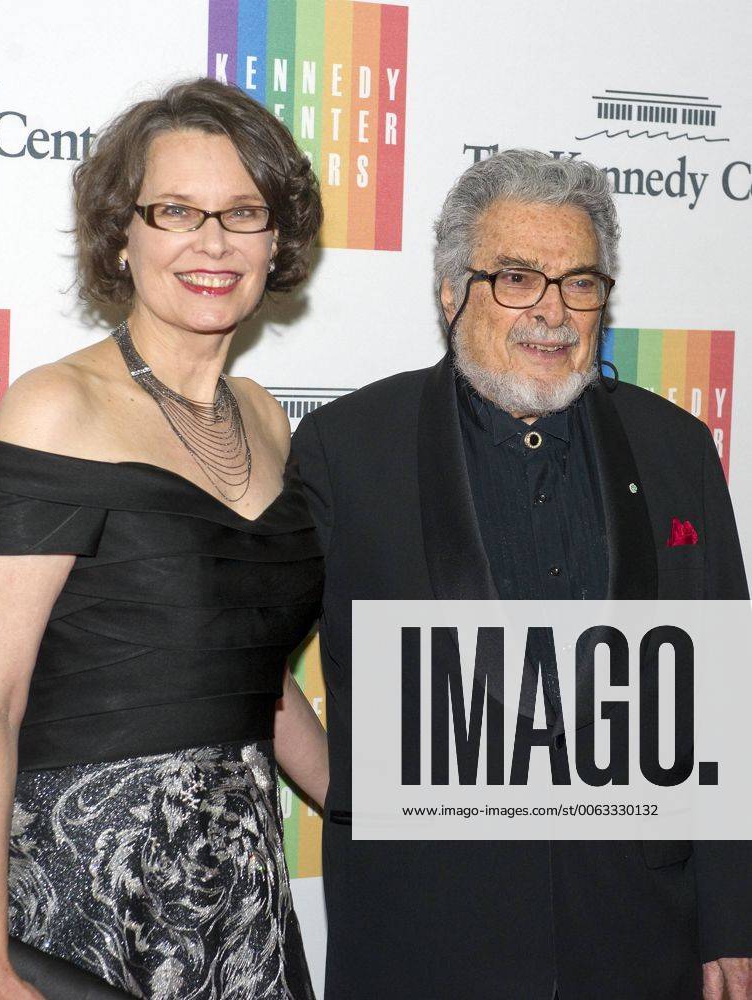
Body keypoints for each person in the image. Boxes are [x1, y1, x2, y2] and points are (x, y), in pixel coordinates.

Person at [292, 150, 752, 1000]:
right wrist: (352, 794)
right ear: (449, 291)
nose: (551, 311)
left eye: (579, 282)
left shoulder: (674, 447)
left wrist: (730, 922)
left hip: (636, 935)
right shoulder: (345, 448)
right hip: (422, 935)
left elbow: (719, 700)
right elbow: (241, 660)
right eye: (515, 277)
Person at [0, 78, 327, 1000]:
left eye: (243, 213)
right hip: (79, 880)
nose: (212, 243)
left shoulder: (267, 421)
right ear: (123, 235)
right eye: (176, 211)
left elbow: (242, 667)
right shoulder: (54, 407)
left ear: (276, 240)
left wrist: (383, 803)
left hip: (233, 885)